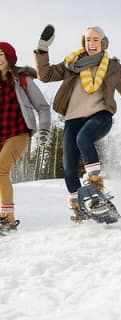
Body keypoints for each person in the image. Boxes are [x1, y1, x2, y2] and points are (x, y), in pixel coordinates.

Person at [34, 25, 121, 222]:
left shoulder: (112, 67)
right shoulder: (72, 64)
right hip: (72, 118)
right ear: (83, 42)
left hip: (100, 116)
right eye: (88, 39)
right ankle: (80, 208)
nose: (91, 43)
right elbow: (45, 76)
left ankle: (95, 188)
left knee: (84, 138)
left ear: (103, 42)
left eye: (96, 39)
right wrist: (43, 48)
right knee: (69, 169)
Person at [0, 41, 51, 231]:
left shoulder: (22, 79)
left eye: (1, 54)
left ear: (9, 57)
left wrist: (44, 129)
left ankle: (7, 219)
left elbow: (43, 107)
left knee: (1, 170)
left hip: (18, 133)